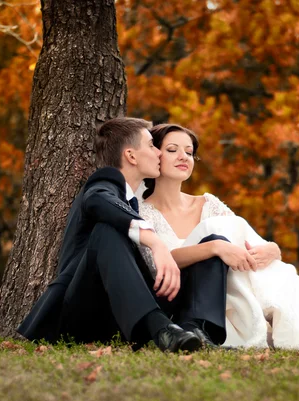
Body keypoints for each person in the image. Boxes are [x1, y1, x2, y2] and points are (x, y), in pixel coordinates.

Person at [137, 123, 299, 349]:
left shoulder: (208, 203)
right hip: (185, 298)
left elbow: (243, 235)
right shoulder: (142, 212)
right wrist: (214, 247)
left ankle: (283, 316)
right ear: (155, 155)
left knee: (227, 230)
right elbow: (156, 264)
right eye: (172, 150)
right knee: (215, 235)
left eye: (189, 152)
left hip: (231, 289)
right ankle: (263, 319)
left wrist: (272, 249)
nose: (184, 157)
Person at [17, 117, 230, 352]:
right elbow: (96, 200)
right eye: (151, 146)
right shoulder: (105, 184)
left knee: (211, 242)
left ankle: (196, 332)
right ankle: (161, 329)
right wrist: (155, 242)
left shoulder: (134, 201)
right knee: (106, 231)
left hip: (123, 313)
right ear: (131, 156)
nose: (159, 153)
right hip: (83, 312)